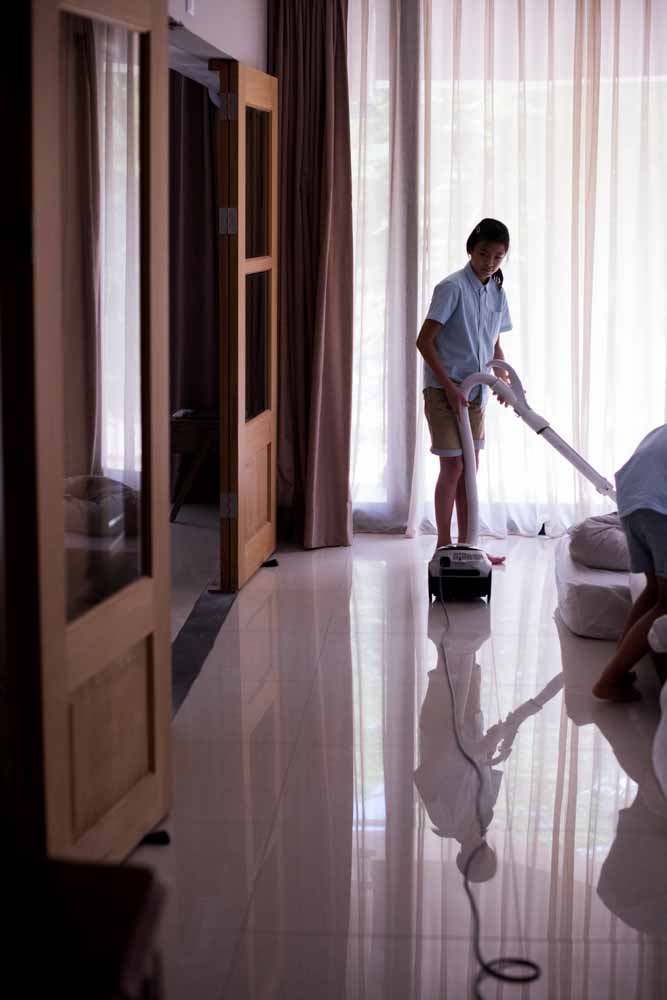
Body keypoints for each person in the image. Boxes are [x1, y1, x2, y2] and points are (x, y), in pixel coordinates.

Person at [416, 218, 513, 564]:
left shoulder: (497, 292)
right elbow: (424, 342)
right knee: (453, 467)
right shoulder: (451, 288)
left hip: (476, 394)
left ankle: (468, 545)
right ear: (471, 249)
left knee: (469, 471)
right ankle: (444, 547)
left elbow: (493, 343)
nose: (489, 262)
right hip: (443, 392)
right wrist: (449, 387)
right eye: (484, 253)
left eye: (497, 257)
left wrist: (504, 379)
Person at [593, 424, 667, 702]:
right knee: (666, 603)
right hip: (658, 505)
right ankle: (610, 679)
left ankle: (621, 664)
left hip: (631, 502)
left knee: (653, 591)